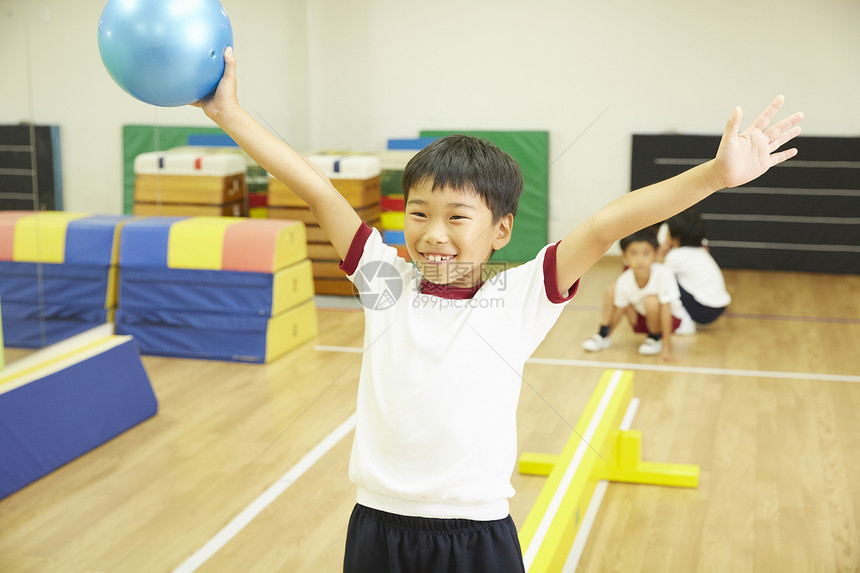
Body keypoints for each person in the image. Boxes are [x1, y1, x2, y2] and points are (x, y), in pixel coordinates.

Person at [195, 47, 803, 573]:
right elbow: (316, 187)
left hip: (475, 535)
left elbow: (605, 224)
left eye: (457, 217)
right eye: (418, 214)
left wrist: (715, 176)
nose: (434, 234)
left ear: (501, 229)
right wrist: (228, 113)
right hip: (377, 525)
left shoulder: (515, 300)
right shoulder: (385, 283)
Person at [581, 228, 690, 361]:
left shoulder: (664, 274)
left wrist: (667, 349)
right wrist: (608, 335)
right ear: (624, 257)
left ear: (655, 254)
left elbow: (666, 310)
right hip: (642, 320)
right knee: (613, 289)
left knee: (651, 301)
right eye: (633, 254)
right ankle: (603, 336)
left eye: (645, 254)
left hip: (669, 320)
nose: (640, 260)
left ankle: (655, 338)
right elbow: (620, 310)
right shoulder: (625, 279)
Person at [658, 208, 732, 328]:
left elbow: (658, 273)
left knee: (663, 280)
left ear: (675, 237)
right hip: (717, 308)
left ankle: (682, 323)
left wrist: (660, 254)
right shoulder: (700, 251)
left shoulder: (676, 255)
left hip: (704, 310)